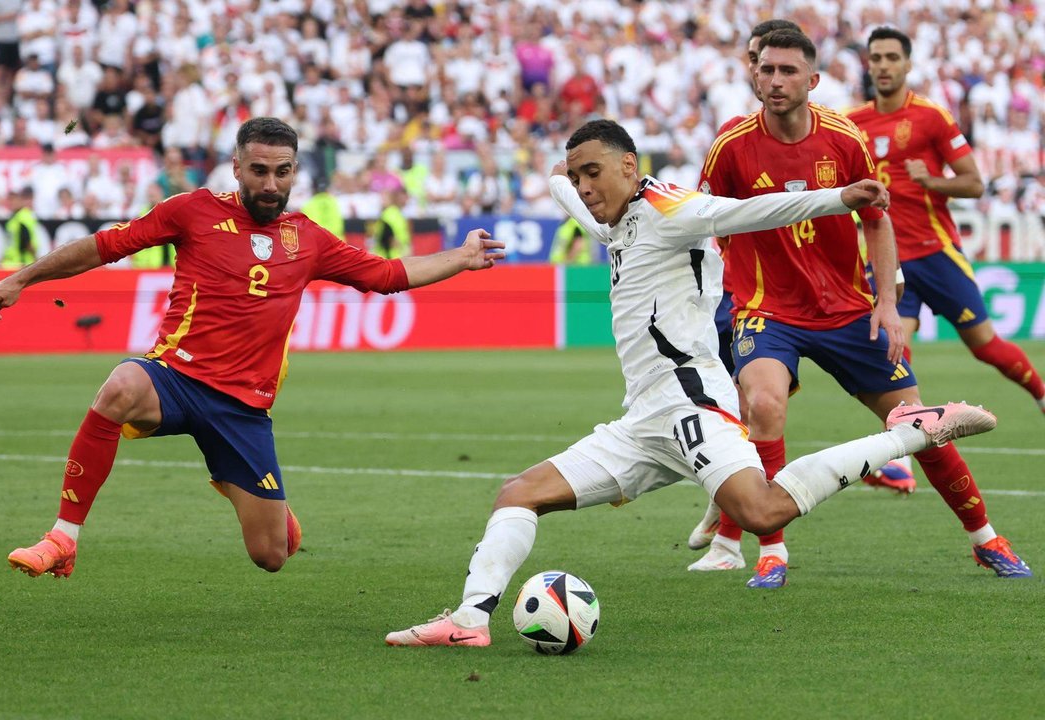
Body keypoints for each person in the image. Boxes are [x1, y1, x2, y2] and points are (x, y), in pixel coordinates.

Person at [384, 118, 998, 647]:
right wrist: (558, 182)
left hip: (692, 403)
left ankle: (907, 434)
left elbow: (749, 211)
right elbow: (589, 214)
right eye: (578, 178)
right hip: (640, 420)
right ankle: (470, 618)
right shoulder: (615, 217)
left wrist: (838, 199)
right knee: (518, 493)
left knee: (761, 512)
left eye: (593, 172)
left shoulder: (674, 211)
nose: (586, 187)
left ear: (631, 165)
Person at [0, 117, 505, 579]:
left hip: (243, 408)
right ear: (236, 167)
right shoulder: (192, 212)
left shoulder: (310, 240)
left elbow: (389, 274)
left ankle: (245, 489)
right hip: (175, 377)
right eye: (259, 170)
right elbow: (104, 245)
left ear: (295, 172)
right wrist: (22, 279)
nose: (270, 183)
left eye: (282, 172)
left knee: (272, 555)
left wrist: (460, 257)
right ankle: (63, 538)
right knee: (119, 386)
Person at [688, 30, 1031, 585]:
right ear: (755, 76)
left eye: (788, 71)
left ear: (812, 80)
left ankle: (985, 538)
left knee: (919, 425)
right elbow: (706, 221)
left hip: (847, 309)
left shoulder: (844, 139)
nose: (775, 81)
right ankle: (771, 551)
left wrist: (888, 304)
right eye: (767, 70)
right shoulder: (730, 145)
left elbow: (876, 218)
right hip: (767, 310)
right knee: (766, 406)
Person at [847, 28, 1045, 419]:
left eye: (891, 57)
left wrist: (930, 181)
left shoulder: (931, 117)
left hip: (935, 252)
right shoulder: (852, 123)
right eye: (876, 58)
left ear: (908, 63)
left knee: (984, 344)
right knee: (892, 351)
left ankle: (1041, 394)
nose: (883, 66)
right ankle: (903, 448)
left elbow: (974, 183)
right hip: (889, 259)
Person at [686, 18, 804, 564]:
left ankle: (730, 524)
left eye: (777, 63)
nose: (764, 72)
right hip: (733, 293)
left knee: (752, 410)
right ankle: (731, 521)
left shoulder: (819, 134)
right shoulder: (734, 137)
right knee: (736, 408)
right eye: (757, 61)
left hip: (793, 301)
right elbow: (702, 216)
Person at [2, 187, 39, 269]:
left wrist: (36, 261)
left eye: (13, 200)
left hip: (21, 264)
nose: (10, 203)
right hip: (12, 264)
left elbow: (28, 243)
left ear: (20, 200)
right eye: (9, 200)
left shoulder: (23, 217)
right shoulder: (14, 218)